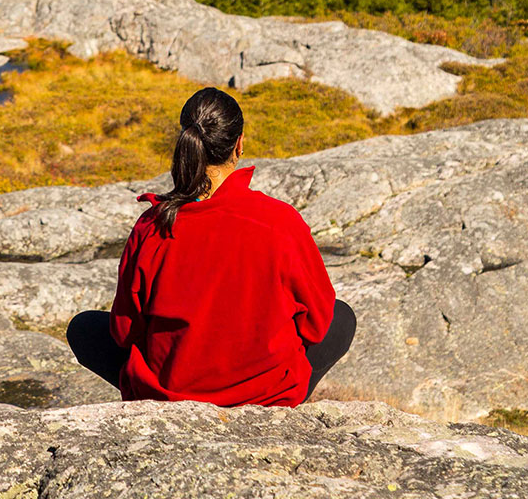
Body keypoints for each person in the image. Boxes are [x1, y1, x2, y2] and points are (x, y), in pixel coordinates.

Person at [67, 86, 356, 406]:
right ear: (240, 144)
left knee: (84, 329)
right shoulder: (280, 222)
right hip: (262, 394)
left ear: (186, 142)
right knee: (341, 318)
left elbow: (124, 332)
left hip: (171, 397)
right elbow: (316, 325)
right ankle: (280, 406)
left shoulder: (153, 226)